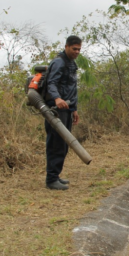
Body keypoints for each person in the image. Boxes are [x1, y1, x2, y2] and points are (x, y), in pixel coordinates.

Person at [44, 35, 82, 190]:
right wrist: (57, 98)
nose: (77, 52)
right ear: (66, 46)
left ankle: (56, 175)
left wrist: (74, 109)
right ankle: (51, 179)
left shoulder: (71, 64)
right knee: (56, 144)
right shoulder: (59, 62)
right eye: (74, 49)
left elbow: (71, 88)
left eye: (79, 49)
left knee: (63, 144)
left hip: (67, 109)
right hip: (56, 110)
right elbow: (51, 83)